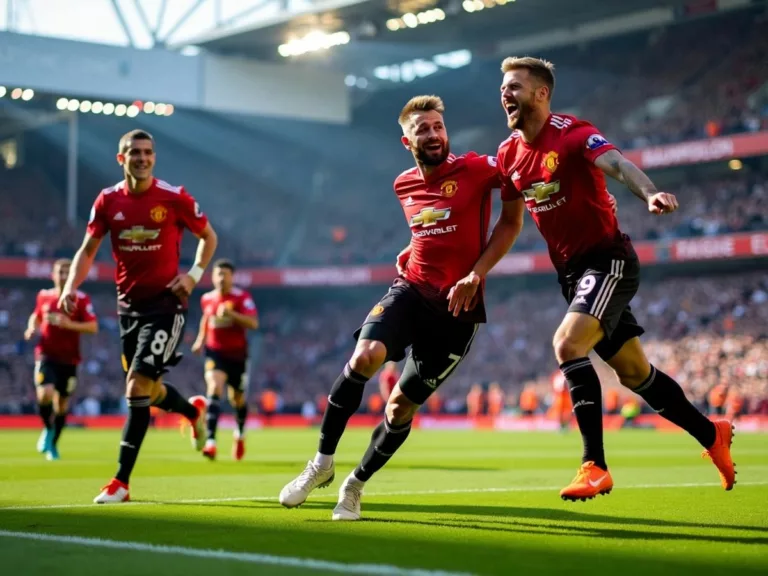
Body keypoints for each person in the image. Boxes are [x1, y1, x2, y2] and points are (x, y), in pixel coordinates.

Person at [485, 56, 734, 500]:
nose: (506, 93)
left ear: (541, 93)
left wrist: (651, 191)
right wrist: (477, 271)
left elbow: (617, 164)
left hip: (608, 261)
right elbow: (509, 223)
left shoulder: (573, 132)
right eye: (504, 87)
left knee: (567, 344)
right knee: (635, 373)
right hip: (571, 274)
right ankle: (710, 433)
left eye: (516, 86)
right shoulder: (508, 154)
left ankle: (594, 466)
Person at [278, 95, 525, 520]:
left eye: (437, 127)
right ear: (406, 140)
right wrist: (411, 246)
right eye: (422, 129)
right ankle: (320, 464)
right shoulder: (403, 184)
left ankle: (353, 486)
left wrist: (477, 273)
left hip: (457, 309)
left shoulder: (478, 169)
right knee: (364, 357)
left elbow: (512, 220)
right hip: (410, 290)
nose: (433, 135)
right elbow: (431, 224)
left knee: (399, 408)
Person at [59, 129, 218, 503]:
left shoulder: (173, 197)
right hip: (128, 307)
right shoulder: (107, 200)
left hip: (167, 304)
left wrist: (194, 276)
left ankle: (121, 482)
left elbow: (209, 237)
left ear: (154, 157)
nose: (142, 158)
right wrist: (69, 287)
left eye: (148, 152)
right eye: (134, 152)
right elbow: (87, 250)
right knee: (149, 390)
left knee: (135, 387)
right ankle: (192, 412)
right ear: (121, 158)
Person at [24, 258, 98, 460]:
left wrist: (68, 324)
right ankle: (48, 430)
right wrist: (32, 327)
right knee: (45, 393)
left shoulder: (81, 299)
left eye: (67, 272)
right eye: (60, 272)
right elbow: (37, 316)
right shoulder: (44, 296)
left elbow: (92, 327)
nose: (64, 276)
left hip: (70, 359)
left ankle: (53, 444)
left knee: (62, 404)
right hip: (46, 354)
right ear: (53, 275)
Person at [191, 259, 258, 461]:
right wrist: (200, 340)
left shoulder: (242, 297)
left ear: (232, 277)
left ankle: (239, 434)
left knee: (236, 399)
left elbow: (253, 323)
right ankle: (211, 441)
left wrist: (232, 315)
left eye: (225, 275)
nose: (221, 278)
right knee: (214, 387)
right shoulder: (207, 299)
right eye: (218, 274)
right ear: (212, 277)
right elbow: (206, 318)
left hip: (237, 355)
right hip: (215, 352)